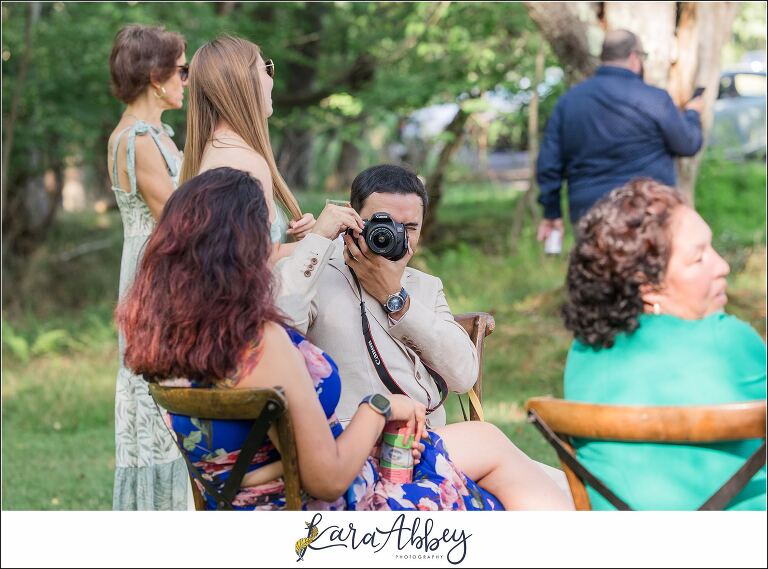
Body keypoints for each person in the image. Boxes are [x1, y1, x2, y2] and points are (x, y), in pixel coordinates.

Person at [117, 167, 573, 511]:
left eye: (408, 228)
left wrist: (394, 297)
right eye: (382, 221)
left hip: (387, 449)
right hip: (346, 479)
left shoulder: (170, 340)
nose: (393, 235)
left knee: (551, 479)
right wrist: (317, 243)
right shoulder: (295, 302)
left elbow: (463, 374)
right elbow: (285, 316)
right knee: (525, 474)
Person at [562, 178, 766, 510]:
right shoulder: (728, 341)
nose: (722, 266)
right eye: (698, 258)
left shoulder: (582, 353)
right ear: (648, 286)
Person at [180, 35, 363, 263]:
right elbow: (254, 264)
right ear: (243, 80)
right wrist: (320, 235)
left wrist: (307, 239)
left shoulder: (214, 149)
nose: (271, 79)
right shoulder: (243, 162)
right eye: (266, 68)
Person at [107, 23, 190, 510]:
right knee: (158, 398)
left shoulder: (159, 133)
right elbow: (179, 218)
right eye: (182, 69)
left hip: (167, 270)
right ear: (155, 75)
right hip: (154, 277)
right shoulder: (136, 138)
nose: (187, 78)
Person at [536, 29, 705, 245]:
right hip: (648, 211)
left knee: (596, 276)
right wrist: (692, 114)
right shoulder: (654, 99)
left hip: (590, 214)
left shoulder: (568, 102)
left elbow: (549, 163)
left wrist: (551, 211)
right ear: (635, 58)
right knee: (650, 276)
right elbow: (688, 144)